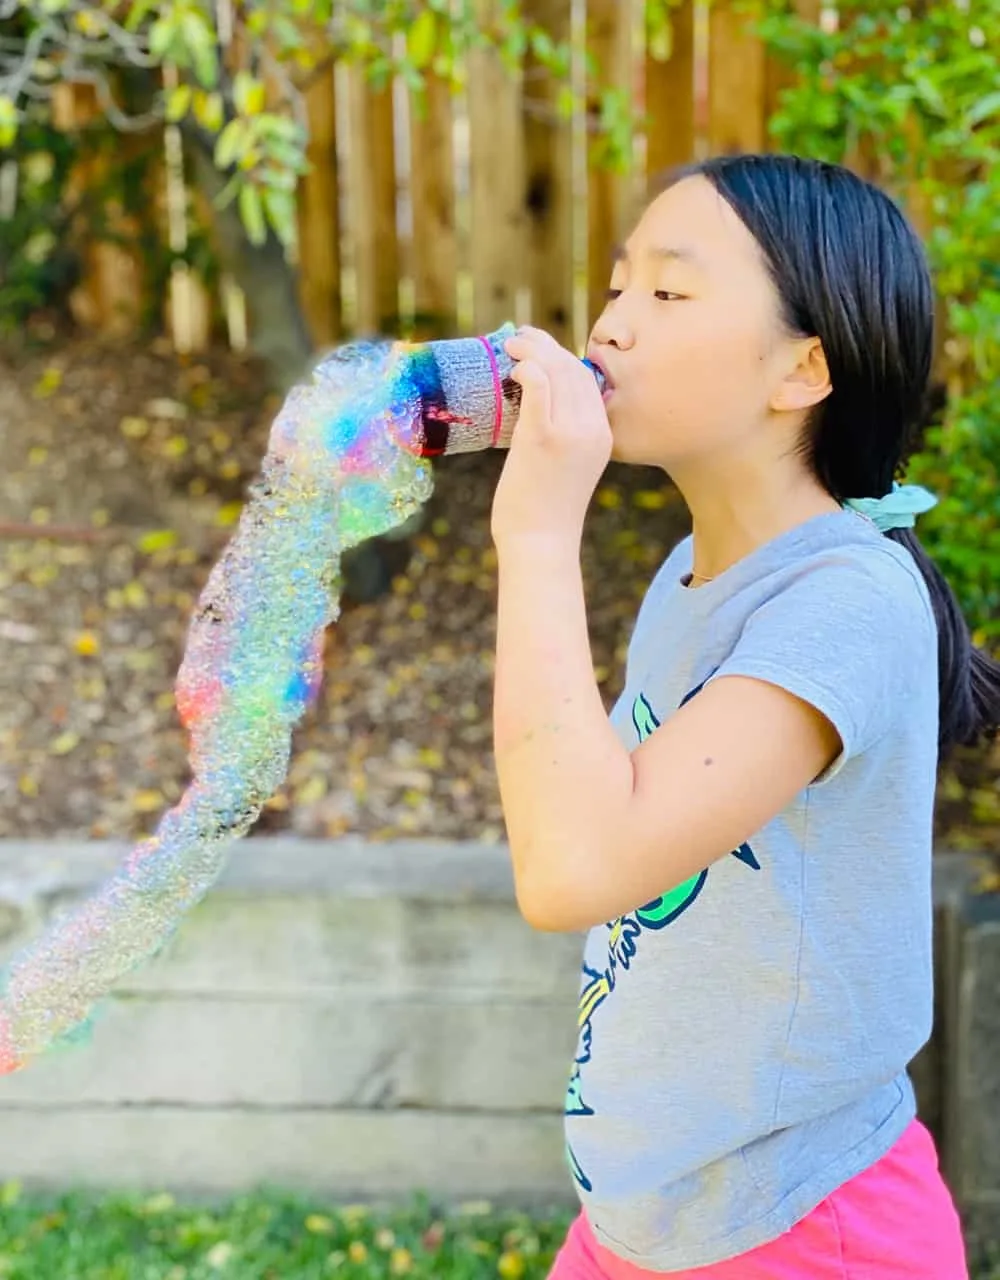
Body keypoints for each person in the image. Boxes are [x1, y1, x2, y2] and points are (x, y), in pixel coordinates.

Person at [490, 153, 999, 1278]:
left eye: (668, 293)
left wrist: (533, 535)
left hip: (802, 1230)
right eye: (618, 285)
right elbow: (585, 806)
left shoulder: (849, 602)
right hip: (646, 1217)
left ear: (802, 368)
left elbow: (572, 870)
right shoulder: (690, 573)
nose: (611, 324)